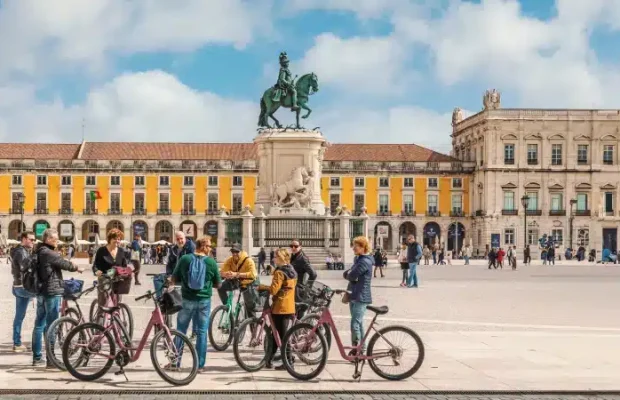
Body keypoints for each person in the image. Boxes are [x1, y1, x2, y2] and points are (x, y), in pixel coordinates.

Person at [32, 229, 84, 367]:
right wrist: (76, 267)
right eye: (55, 239)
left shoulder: (38, 251)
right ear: (48, 239)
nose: (57, 241)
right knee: (52, 325)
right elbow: (65, 264)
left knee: (39, 325)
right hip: (52, 291)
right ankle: (51, 359)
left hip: (41, 292)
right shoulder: (49, 252)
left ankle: (37, 357)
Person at [171, 236, 221, 373]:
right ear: (204, 247)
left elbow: (174, 278)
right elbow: (218, 284)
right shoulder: (211, 262)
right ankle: (199, 365)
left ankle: (175, 362)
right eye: (210, 246)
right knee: (202, 332)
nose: (211, 248)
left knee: (181, 330)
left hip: (187, 299)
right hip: (204, 301)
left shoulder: (185, 259)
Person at [258, 248, 297, 369]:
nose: (274, 258)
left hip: (279, 307)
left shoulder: (279, 272)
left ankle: (289, 361)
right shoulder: (291, 270)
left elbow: (274, 290)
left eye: (275, 257)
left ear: (280, 258)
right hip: (290, 305)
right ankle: (269, 360)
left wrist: (262, 287)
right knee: (278, 334)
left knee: (281, 335)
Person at [344, 236, 373, 355]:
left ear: (364, 247)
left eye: (357, 245)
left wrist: (349, 274)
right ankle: (362, 349)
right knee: (359, 323)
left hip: (361, 296)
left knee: (355, 324)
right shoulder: (358, 260)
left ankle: (356, 350)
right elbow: (348, 273)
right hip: (354, 294)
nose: (354, 247)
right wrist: (349, 274)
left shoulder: (364, 261)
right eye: (354, 245)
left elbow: (350, 275)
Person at [11, 231, 36, 352]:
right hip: (23, 287)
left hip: (18, 286)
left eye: (34, 240)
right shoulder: (21, 252)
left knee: (19, 316)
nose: (33, 242)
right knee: (47, 304)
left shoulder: (20, 250)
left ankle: (17, 343)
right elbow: (24, 267)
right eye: (31, 239)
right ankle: (37, 342)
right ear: (24, 239)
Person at [218, 243, 258, 317]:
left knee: (249, 307)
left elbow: (253, 274)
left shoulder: (248, 261)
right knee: (220, 287)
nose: (234, 254)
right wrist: (226, 274)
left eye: (237, 252)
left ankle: (252, 324)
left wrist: (236, 274)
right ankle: (227, 307)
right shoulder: (230, 260)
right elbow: (222, 272)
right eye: (233, 252)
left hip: (248, 283)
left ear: (241, 251)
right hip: (236, 281)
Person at [93, 228, 129, 306]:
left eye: (119, 239)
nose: (117, 241)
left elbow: (124, 265)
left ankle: (115, 317)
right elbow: (95, 265)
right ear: (109, 239)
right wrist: (97, 271)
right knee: (103, 302)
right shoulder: (101, 250)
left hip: (117, 280)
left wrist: (127, 272)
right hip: (105, 279)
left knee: (117, 303)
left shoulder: (121, 251)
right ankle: (100, 317)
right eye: (115, 239)